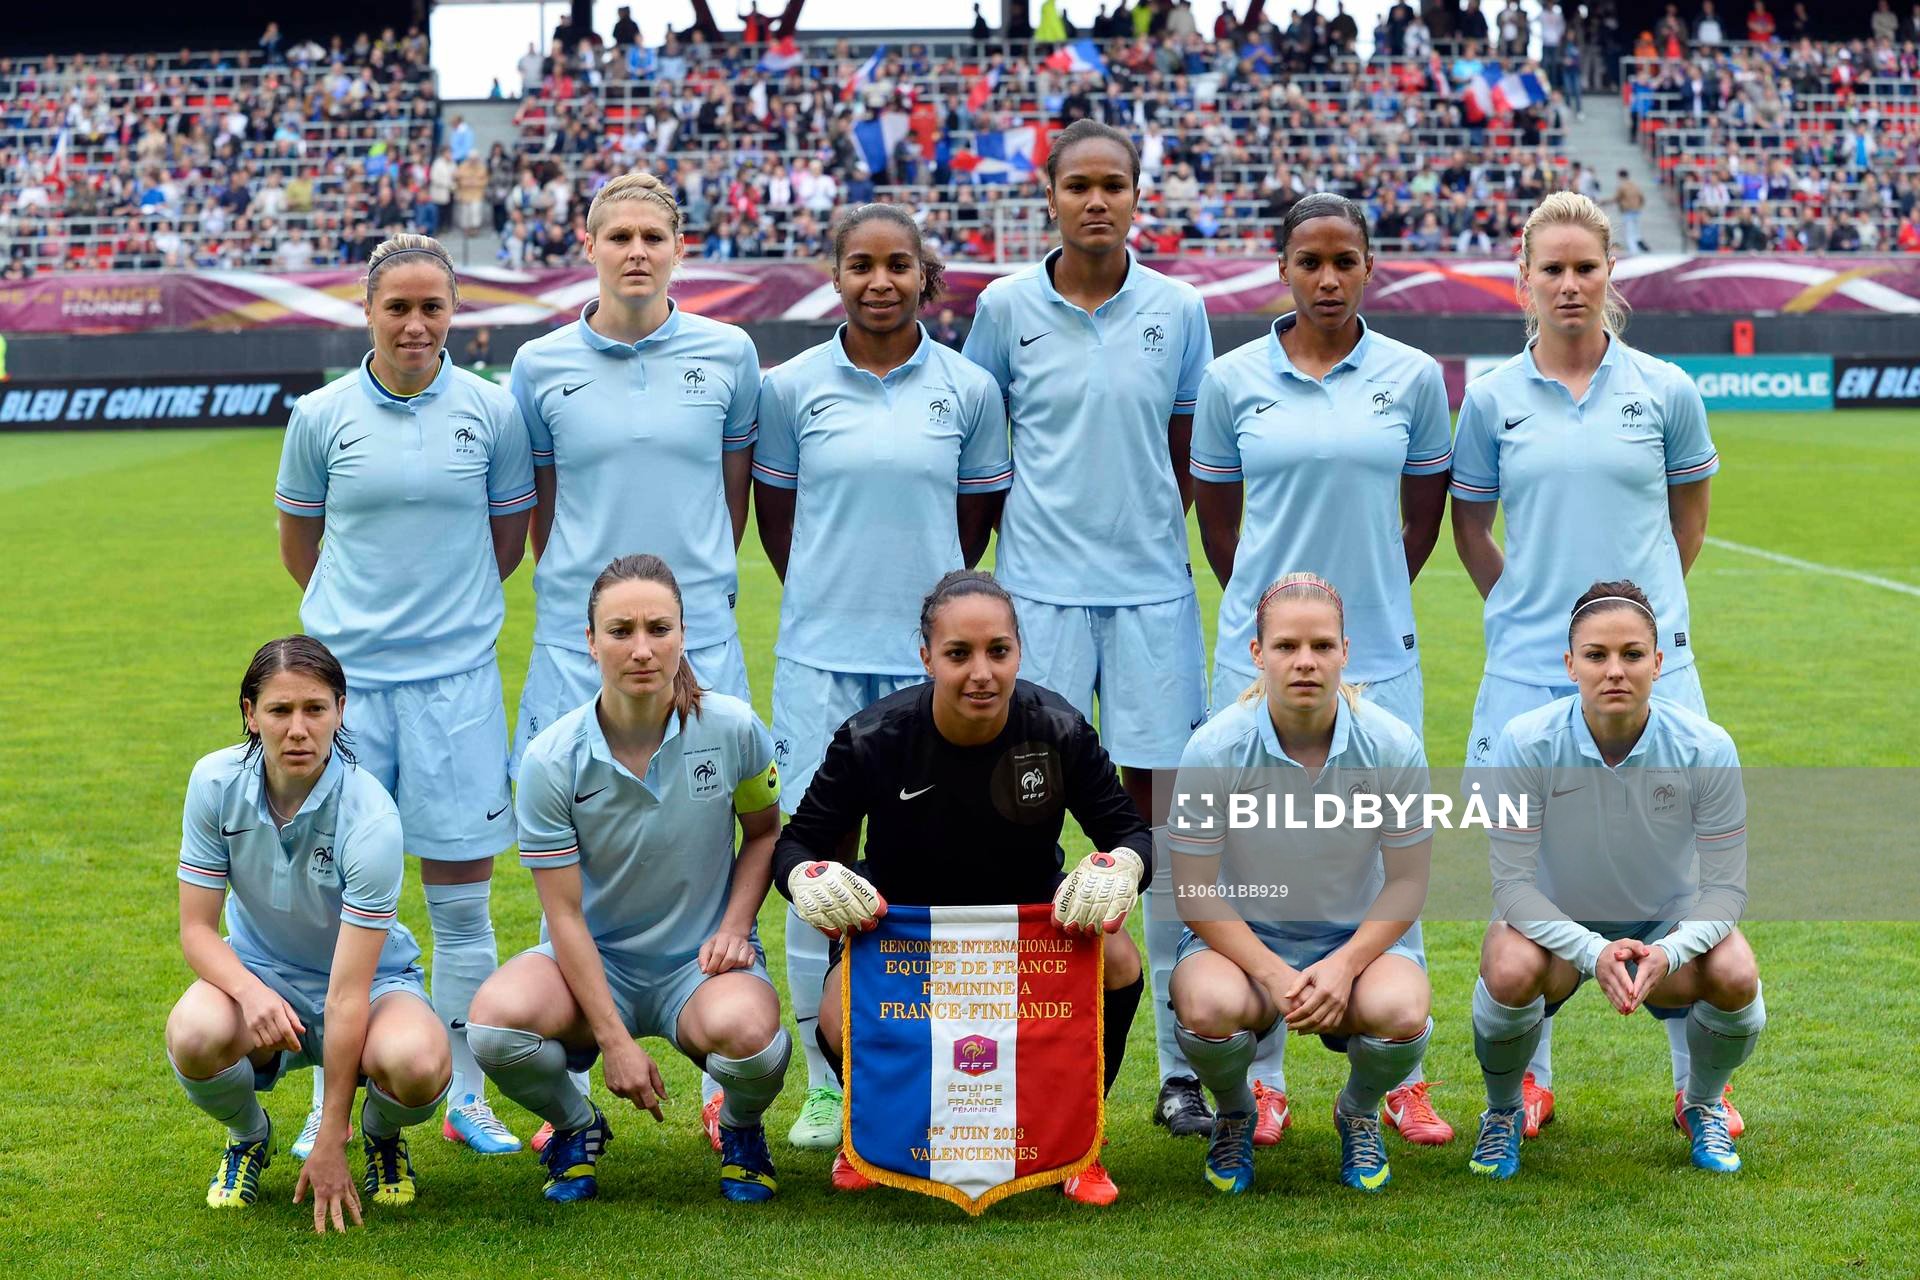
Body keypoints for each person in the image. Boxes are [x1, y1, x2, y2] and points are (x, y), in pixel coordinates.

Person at [1450, 192, 1731, 1142]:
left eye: (1587, 267)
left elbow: (1686, 522)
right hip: (1526, 674)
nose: (1570, 285)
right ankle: (1527, 1080)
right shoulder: (1490, 400)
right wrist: (1529, 616)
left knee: (1678, 878)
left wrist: (1632, 636)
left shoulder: (1667, 389)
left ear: (1613, 274)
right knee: (1519, 880)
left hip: (1653, 674)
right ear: (1522, 281)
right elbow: (1471, 529)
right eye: (1553, 269)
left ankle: (1702, 1086)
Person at [961, 119, 1214, 1142]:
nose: (1097, 200)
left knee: (1160, 834)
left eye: (1115, 184)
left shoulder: (1180, 309)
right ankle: (1016, 1048)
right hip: (1041, 599)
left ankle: (1182, 1067)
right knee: (1022, 821)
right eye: (1079, 185)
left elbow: (1192, 452)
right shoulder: (1003, 308)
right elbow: (981, 445)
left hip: (1153, 594)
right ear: (1051, 195)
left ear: (1138, 195)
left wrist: (1148, 537)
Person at [1190, 193, 1455, 1149]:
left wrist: (1359, 611)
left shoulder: (1415, 375)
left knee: (1388, 853)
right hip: (1261, 654)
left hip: (1375, 649)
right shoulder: (1231, 379)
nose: (1329, 278)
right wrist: (1281, 627)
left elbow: (1422, 514)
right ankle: (1260, 1079)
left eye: (1346, 260)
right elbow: (1218, 518)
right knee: (1253, 854)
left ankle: (1400, 1078)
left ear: (1370, 266)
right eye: (1310, 261)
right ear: (1283, 269)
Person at [508, 169, 762, 1150]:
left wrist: (681, 610)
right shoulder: (538, 364)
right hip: (583, 653)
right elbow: (537, 502)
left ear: (681, 244)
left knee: (715, 837)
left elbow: (732, 492)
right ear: (589, 240)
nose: (637, 251)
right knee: (565, 854)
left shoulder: (730, 352)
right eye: (618, 234)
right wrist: (602, 614)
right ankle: (573, 1066)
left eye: (653, 234)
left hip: (699, 645)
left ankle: (721, 1070)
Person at [753, 204, 1010, 1152]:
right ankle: (827, 1084)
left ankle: (944, 1061)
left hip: (931, 666)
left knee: (940, 852)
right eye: (860, 264)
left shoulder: (969, 387)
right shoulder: (789, 387)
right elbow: (776, 514)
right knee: (818, 861)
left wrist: (927, 613)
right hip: (820, 651)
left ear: (924, 275)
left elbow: (975, 515)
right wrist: (829, 592)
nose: (879, 281)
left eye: (898, 264)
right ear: (836, 275)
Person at [275, 234, 536, 1159]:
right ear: (368, 310)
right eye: (400, 307)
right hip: (346, 694)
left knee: (462, 902)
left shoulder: (493, 411)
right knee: (339, 903)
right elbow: (301, 545)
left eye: (434, 307)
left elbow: (508, 539)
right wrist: (357, 636)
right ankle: (329, 1097)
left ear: (453, 313)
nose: (417, 324)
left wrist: (445, 621)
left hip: (457, 687)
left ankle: (468, 1096)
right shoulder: (320, 415)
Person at [772, 571, 1150, 1206]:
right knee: (837, 1014)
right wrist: (808, 878)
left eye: (998, 651)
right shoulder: (873, 738)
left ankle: (1081, 1142)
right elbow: (795, 842)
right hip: (905, 930)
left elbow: (1130, 832)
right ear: (926, 658)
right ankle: (868, 1133)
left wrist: (1122, 867)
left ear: (1017, 652)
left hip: (1027, 926)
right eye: (959, 654)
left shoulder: (1057, 729)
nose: (982, 672)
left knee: (1119, 961)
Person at [468, 555, 788, 1203]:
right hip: (593, 962)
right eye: (620, 631)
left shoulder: (732, 728)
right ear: (590, 641)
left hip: (698, 968)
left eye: (658, 629)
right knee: (495, 1027)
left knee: (756, 1040)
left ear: (683, 634)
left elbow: (763, 832)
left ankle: (741, 1126)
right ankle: (576, 1126)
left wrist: (734, 927)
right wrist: (613, 1039)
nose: (641, 649)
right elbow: (562, 914)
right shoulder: (550, 759)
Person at [1466, 581, 1761, 1179]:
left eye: (1632, 654)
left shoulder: (1705, 746)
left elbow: (1727, 889)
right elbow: (1513, 887)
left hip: (1663, 926)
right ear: (1569, 663)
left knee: (1736, 972)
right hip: (1555, 925)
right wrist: (1593, 950)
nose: (1615, 671)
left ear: (1659, 661)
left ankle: (1701, 1102)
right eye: (1596, 655)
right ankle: (1503, 1113)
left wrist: (1670, 951)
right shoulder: (1526, 742)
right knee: (1508, 966)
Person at [167, 637, 451, 1223]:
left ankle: (380, 1137)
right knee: (193, 1035)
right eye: (279, 710)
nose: (298, 729)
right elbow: (196, 930)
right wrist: (250, 991)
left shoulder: (370, 817)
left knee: (420, 1064)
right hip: (258, 974)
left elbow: (346, 993)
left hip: (369, 984)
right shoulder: (213, 783)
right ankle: (249, 1136)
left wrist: (332, 1137)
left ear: (340, 711)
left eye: (315, 709)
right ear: (250, 713)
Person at [1168, 574, 1435, 1193]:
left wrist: (1342, 967)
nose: (1305, 662)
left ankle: (1359, 1112)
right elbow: (1194, 891)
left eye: (1321, 645)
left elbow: (1408, 883)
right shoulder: (1215, 749)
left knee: (1400, 1008)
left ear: (1346, 650)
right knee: (1206, 1004)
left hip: (1358, 942)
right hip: (1244, 941)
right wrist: (1276, 976)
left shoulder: (1391, 745)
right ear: (1257, 654)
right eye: (1286, 646)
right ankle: (1235, 1112)